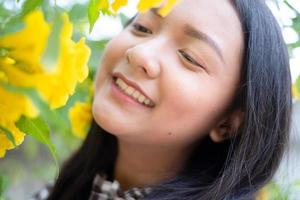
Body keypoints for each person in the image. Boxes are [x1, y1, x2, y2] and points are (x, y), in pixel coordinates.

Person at [45, 0, 292, 199]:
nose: (139, 53)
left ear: (229, 122)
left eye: (190, 57)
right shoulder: (57, 191)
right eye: (142, 28)